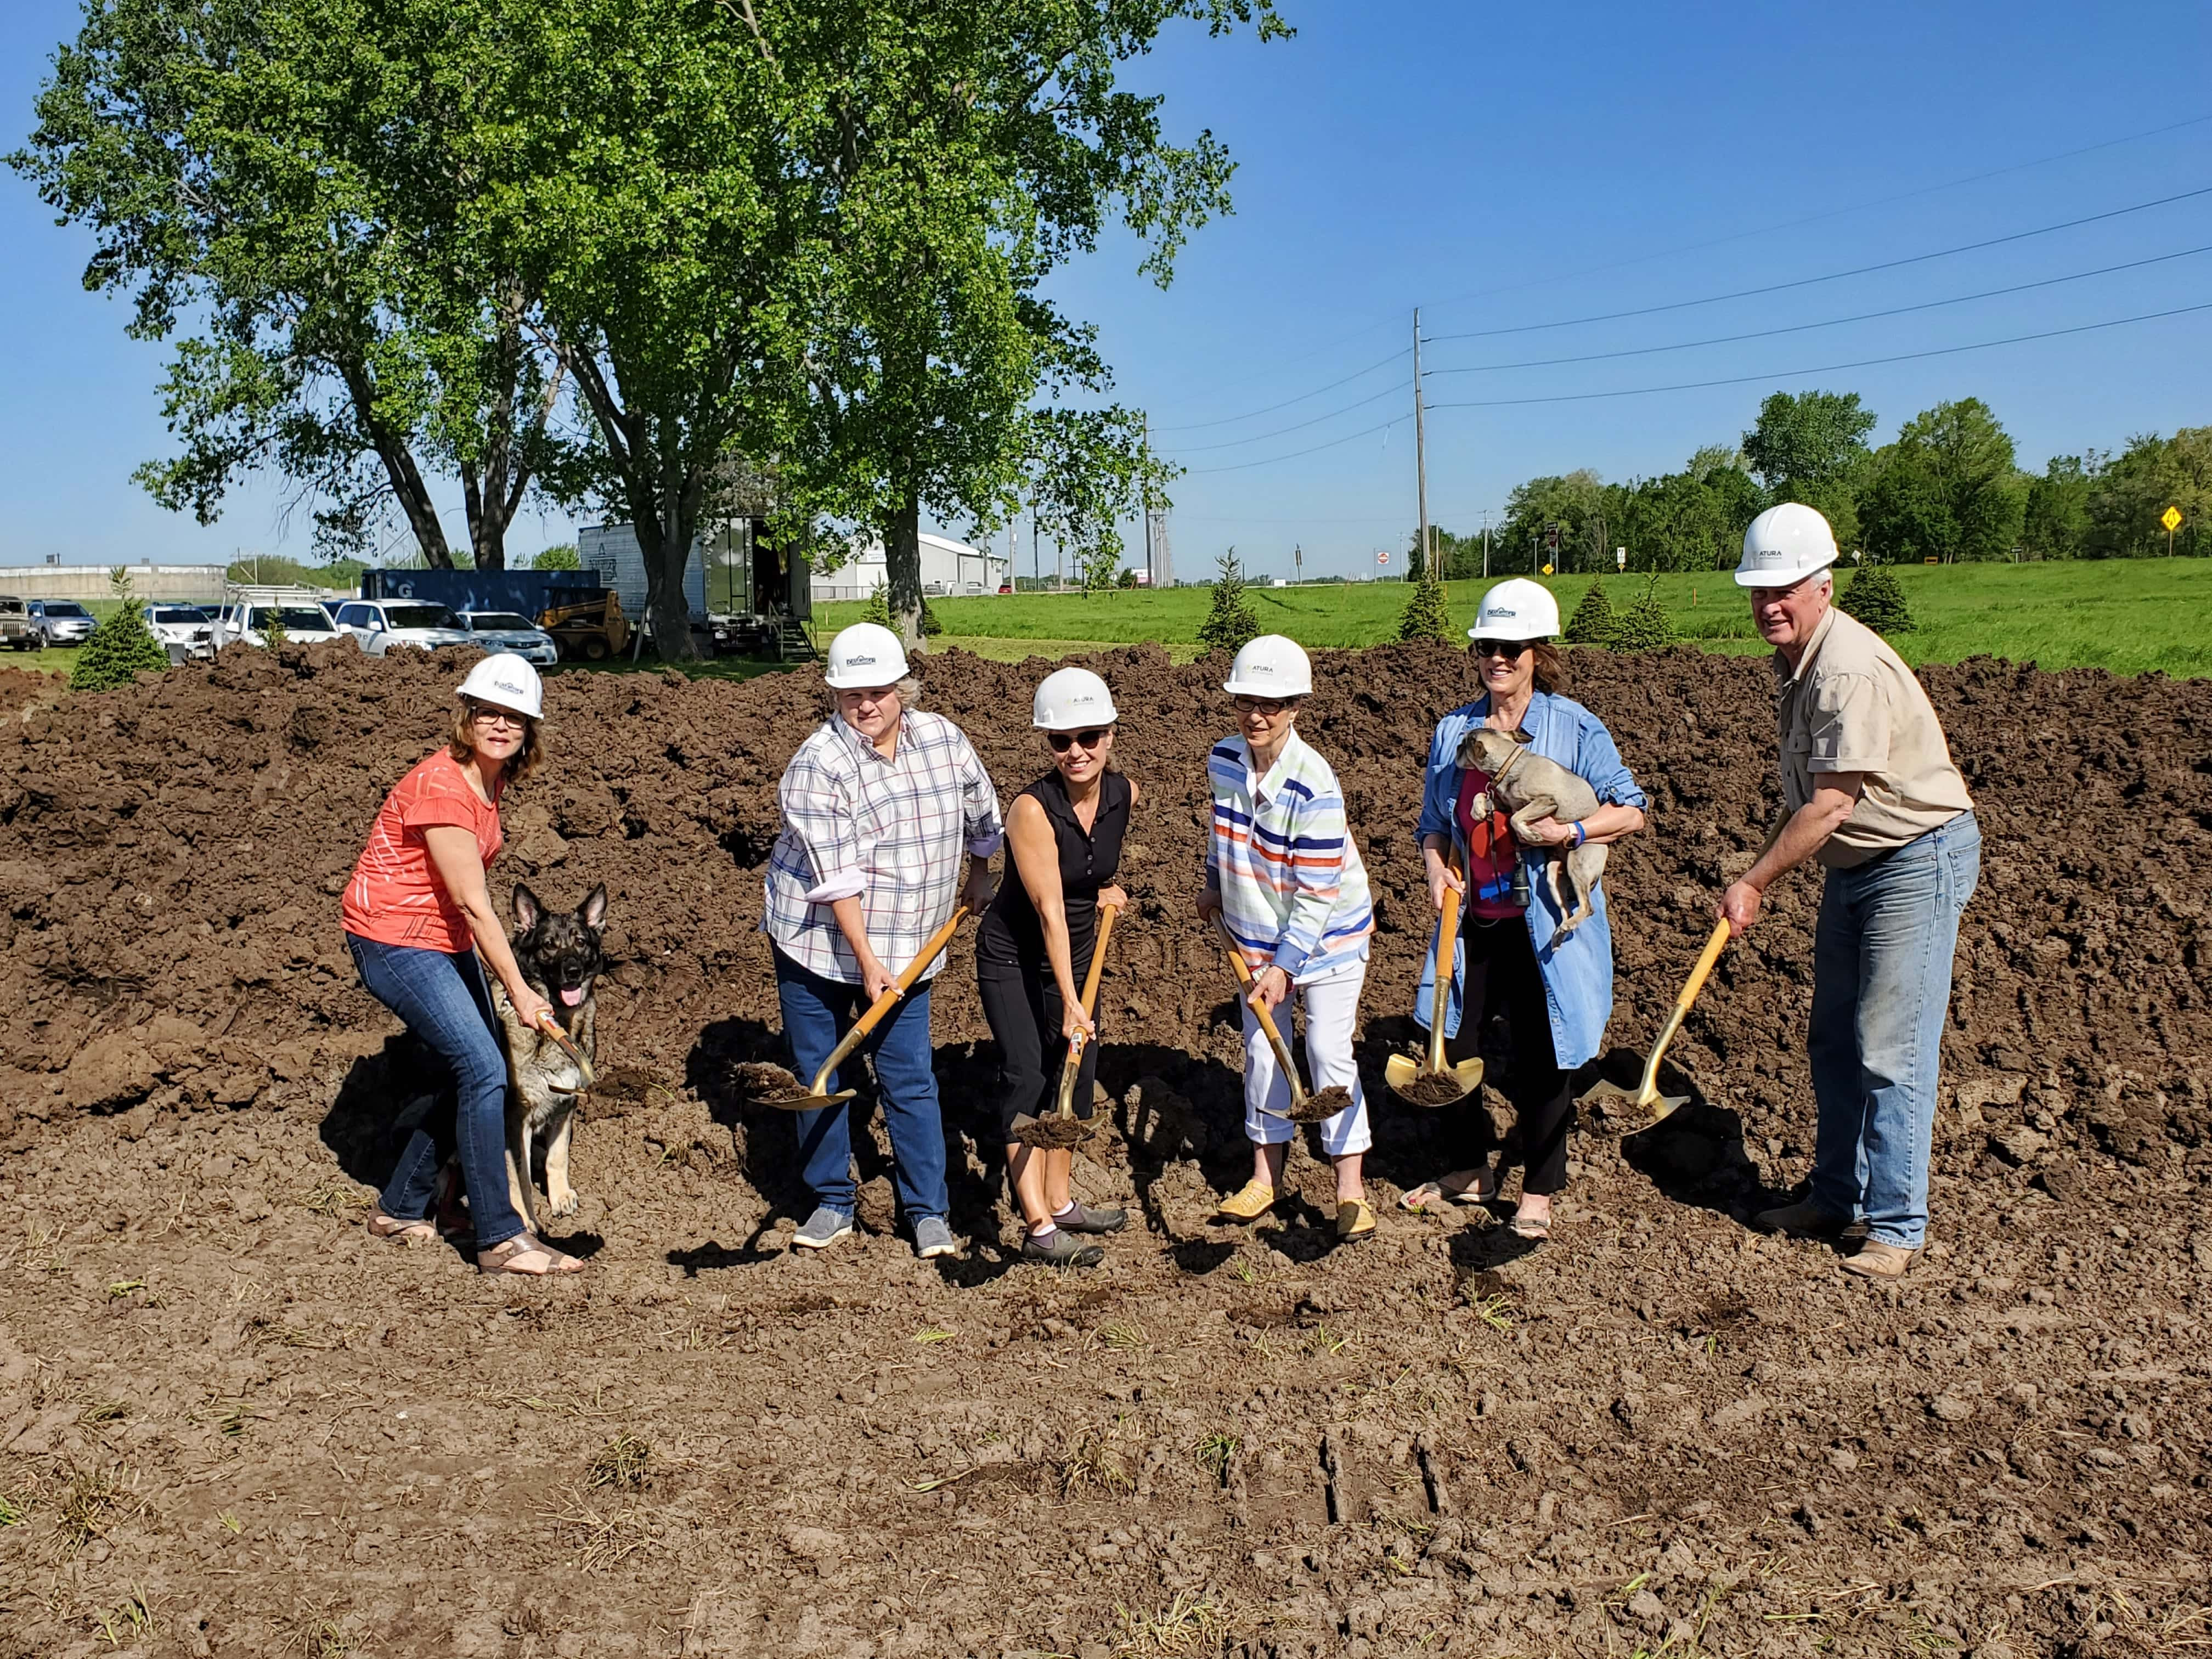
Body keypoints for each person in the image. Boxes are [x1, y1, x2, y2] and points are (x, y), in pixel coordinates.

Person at [1720, 505, 1979, 1279]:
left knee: (1888, 1048)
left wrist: (1756, 880)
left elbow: (1833, 804)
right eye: (1760, 590)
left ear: (1823, 586)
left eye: (1786, 588)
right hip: (1854, 866)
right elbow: (1806, 797)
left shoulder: (1844, 669)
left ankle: (1897, 1225)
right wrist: (1758, 866)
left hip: (1915, 859)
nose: (1771, 604)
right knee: (1833, 1038)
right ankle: (1835, 1196)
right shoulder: (1798, 664)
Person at [1398, 579, 1647, 1242]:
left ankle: (1537, 1192)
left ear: (1538, 651)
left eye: (1511, 647)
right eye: (1486, 646)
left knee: (1544, 1054)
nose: (1497, 659)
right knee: (1454, 1044)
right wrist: (1434, 867)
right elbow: (1432, 822)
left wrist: (1572, 834)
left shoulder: (1575, 728)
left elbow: (1632, 808)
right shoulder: (1456, 731)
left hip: (1544, 927)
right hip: (1472, 917)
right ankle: (1470, 1172)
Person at [762, 622, 1002, 1260]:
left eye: (878, 691)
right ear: (834, 697)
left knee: (909, 1077)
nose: (866, 705)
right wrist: (867, 963)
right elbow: (837, 880)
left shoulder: (944, 740)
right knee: (822, 1071)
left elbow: (983, 812)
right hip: (815, 943)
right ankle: (831, 1201)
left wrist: (980, 873)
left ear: (903, 687)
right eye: (850, 695)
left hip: (910, 943)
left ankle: (927, 1210)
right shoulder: (817, 767)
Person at [341, 653, 580, 1276]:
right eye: (489, 713)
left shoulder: (489, 779)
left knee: (474, 1067)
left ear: (530, 730)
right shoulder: (443, 787)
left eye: (515, 718)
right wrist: (522, 991)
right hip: (393, 939)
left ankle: (401, 1206)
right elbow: (476, 906)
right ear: (467, 716)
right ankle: (501, 1237)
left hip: (439, 938)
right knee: (482, 1067)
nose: (501, 726)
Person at [1197, 635, 1380, 1242]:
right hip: (1254, 937)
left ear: (1296, 707)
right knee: (1264, 1055)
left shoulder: (1315, 786)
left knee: (1327, 1052)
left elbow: (1318, 893)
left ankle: (1350, 1190)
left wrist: (1286, 967)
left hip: (1325, 940)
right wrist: (1213, 884)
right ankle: (1264, 1180)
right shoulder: (1224, 759)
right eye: (1246, 700)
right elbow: (1221, 831)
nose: (1256, 715)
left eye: (1271, 704)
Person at [976, 668, 1136, 1267]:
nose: (1076, 752)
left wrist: (1107, 888)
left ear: (1111, 735)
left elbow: (1091, 868)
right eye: (1060, 741)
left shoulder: (1125, 795)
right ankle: (1038, 1225)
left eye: (1089, 737)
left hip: (1074, 953)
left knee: (1077, 1068)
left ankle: (1063, 1200)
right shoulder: (1030, 810)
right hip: (1015, 957)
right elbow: (1046, 911)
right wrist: (1073, 1003)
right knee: (1028, 1074)